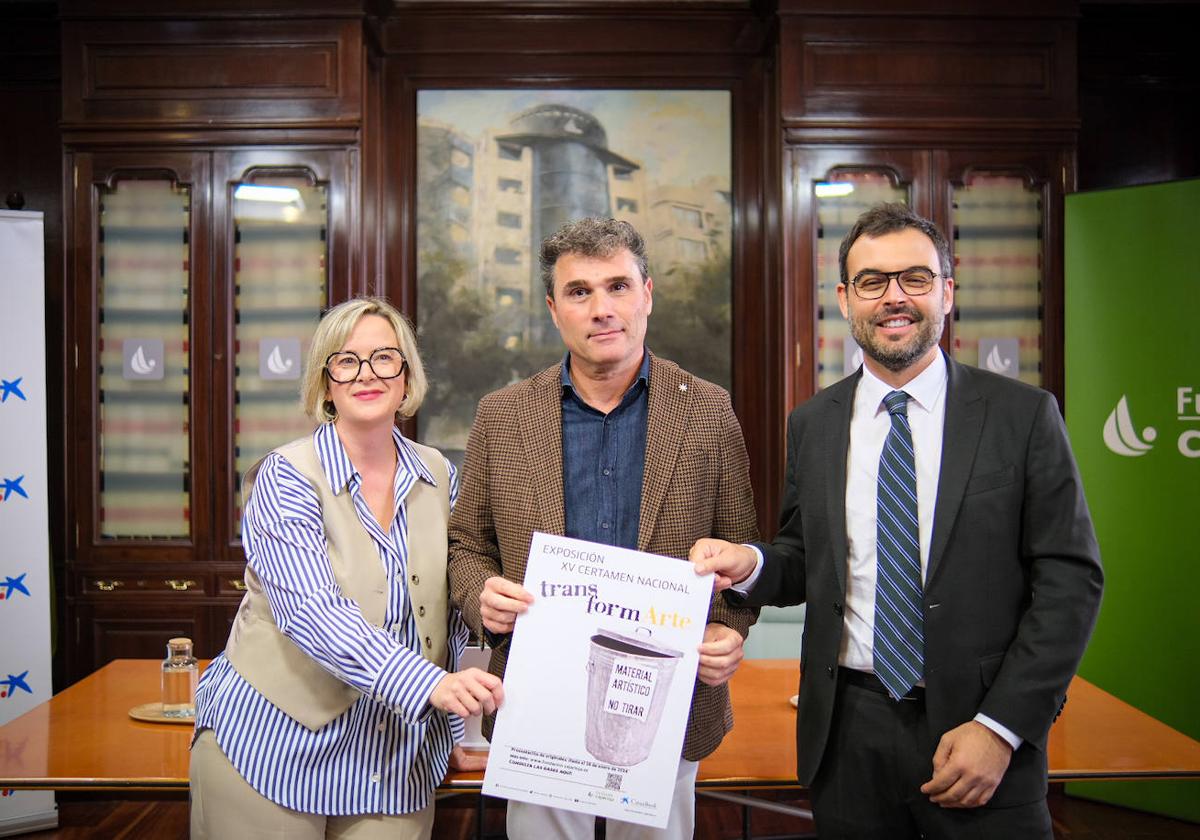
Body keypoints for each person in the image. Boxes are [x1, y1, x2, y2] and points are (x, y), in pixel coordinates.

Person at [690, 203, 1104, 839]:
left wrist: (1000, 729)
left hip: (981, 731)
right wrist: (756, 564)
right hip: (847, 734)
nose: (894, 298)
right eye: (872, 281)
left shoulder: (1023, 417)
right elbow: (806, 557)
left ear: (946, 290)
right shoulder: (814, 423)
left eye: (914, 277)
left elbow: (1070, 582)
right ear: (844, 298)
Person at [447, 217, 759, 840]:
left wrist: (727, 633)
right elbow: (466, 547)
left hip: (667, 700)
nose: (601, 308)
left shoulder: (708, 410)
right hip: (538, 700)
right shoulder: (501, 416)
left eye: (617, 286)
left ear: (647, 294)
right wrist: (478, 593)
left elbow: (737, 554)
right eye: (579, 291)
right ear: (553, 308)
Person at [190, 297, 504, 840]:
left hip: (394, 760)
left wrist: (459, 723)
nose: (367, 374)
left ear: (406, 377)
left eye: (385, 358)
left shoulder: (440, 475)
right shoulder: (284, 477)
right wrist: (433, 686)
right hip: (273, 749)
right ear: (325, 380)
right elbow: (313, 614)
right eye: (346, 360)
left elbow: (451, 601)